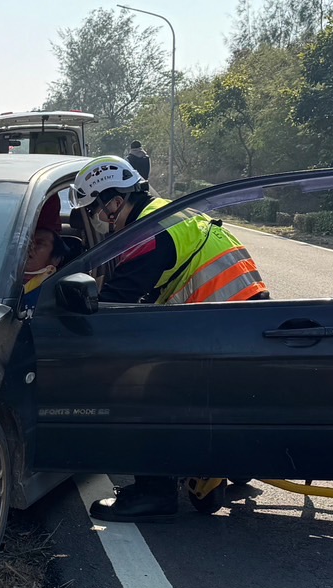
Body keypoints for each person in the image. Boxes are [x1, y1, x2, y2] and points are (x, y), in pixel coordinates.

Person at [68, 155, 270, 521]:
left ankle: (154, 493)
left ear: (115, 203)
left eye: (96, 211)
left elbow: (116, 302)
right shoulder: (167, 214)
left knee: (137, 387)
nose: (98, 221)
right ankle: (225, 459)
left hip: (226, 333)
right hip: (244, 328)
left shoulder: (148, 234)